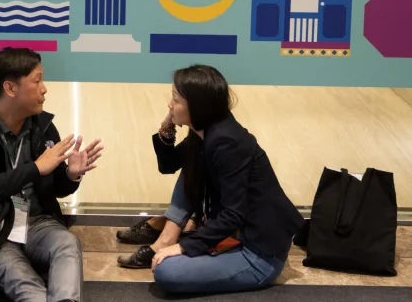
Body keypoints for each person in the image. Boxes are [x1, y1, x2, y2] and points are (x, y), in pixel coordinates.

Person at [117, 65, 303, 295]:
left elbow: (235, 214)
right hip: (238, 235)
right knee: (191, 167)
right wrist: (168, 124)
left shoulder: (227, 142)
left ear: (197, 107)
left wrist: (184, 247)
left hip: (259, 254)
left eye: (175, 99)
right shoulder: (207, 132)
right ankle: (166, 239)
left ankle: (174, 241)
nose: (169, 104)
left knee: (167, 271)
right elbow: (168, 165)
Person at [0, 47, 103, 302]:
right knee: (23, 282)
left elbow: (56, 187)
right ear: (10, 88)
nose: (44, 88)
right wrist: (34, 168)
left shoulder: (42, 127)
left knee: (67, 243)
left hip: (38, 223)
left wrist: (72, 175)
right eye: (37, 80)